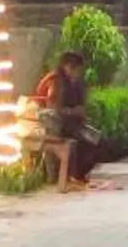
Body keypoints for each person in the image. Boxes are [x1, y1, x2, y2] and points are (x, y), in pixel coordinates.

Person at [34, 48, 101, 187]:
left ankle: (78, 175)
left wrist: (81, 112)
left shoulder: (75, 83)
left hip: (73, 123)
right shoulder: (56, 82)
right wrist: (73, 112)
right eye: (74, 69)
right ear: (67, 67)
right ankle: (74, 175)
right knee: (83, 142)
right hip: (58, 124)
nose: (77, 73)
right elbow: (53, 109)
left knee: (97, 140)